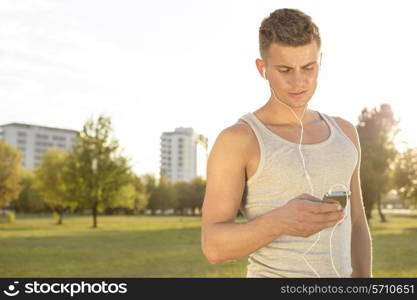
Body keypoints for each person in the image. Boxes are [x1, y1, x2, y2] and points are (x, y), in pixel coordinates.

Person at [201, 8, 372, 278]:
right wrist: (279, 222)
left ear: (320, 61)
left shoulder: (345, 133)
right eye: (284, 69)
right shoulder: (238, 141)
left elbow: (358, 223)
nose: (298, 81)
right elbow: (213, 246)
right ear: (262, 68)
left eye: (308, 67)